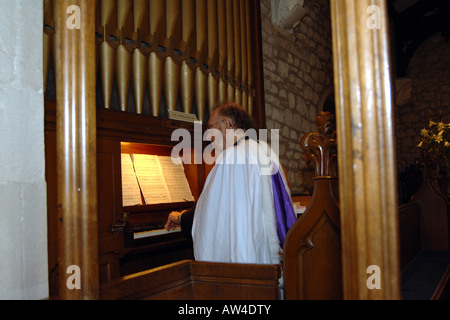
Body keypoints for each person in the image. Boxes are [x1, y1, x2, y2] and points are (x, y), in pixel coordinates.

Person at [165, 101, 296, 264]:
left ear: (226, 124)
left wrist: (181, 218)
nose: (208, 137)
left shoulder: (233, 158)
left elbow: (210, 215)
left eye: (210, 128)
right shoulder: (264, 151)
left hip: (249, 266)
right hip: (271, 258)